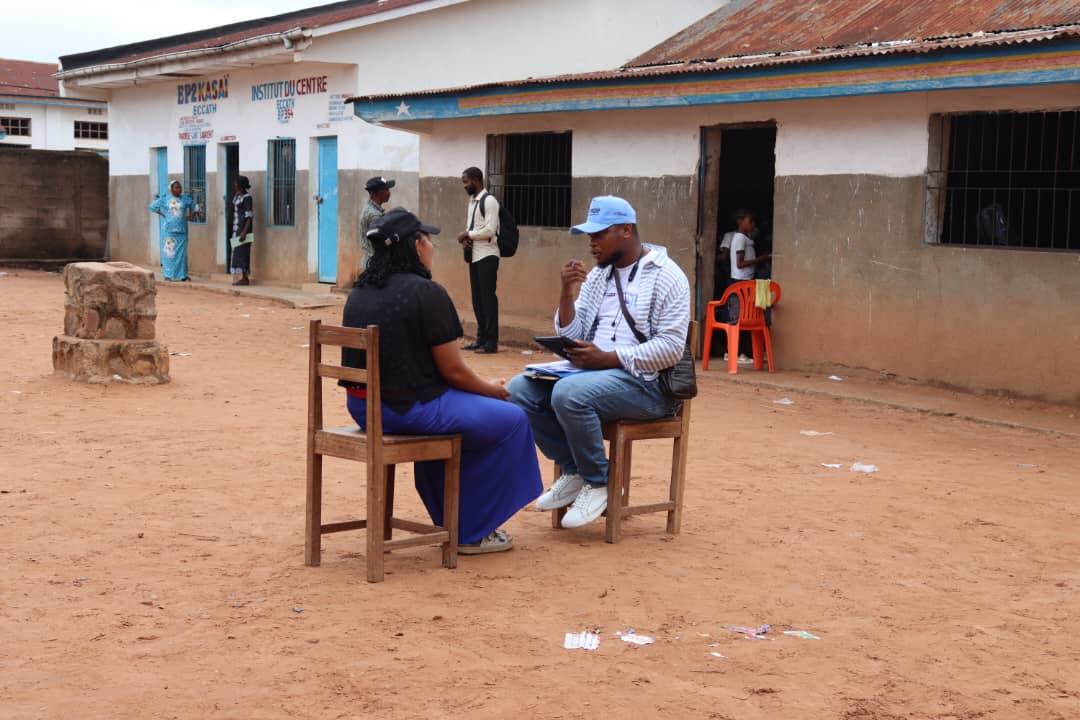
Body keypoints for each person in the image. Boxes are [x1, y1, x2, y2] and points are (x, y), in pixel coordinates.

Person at [342, 207, 542, 554]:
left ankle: (453, 519)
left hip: (364, 408)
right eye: (427, 239)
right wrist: (490, 390)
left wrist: (477, 390)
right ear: (415, 245)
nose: (432, 247)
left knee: (463, 422)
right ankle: (471, 530)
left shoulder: (359, 291)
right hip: (408, 409)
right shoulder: (426, 292)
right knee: (513, 421)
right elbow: (453, 372)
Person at [507, 196, 690, 529]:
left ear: (626, 230)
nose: (592, 243)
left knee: (569, 394)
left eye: (599, 234)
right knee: (518, 390)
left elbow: (671, 348)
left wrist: (609, 358)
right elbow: (573, 332)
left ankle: (598, 481)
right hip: (594, 377)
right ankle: (574, 470)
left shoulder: (667, 276)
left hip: (647, 387)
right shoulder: (598, 276)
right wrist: (566, 293)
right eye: (589, 235)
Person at [457, 167, 500, 354]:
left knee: (488, 299)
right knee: (477, 300)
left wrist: (468, 234)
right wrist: (467, 239)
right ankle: (481, 339)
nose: (464, 185)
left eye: (466, 182)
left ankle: (491, 342)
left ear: (476, 180)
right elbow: (472, 227)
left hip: (487, 255)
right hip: (474, 255)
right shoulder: (472, 201)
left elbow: (490, 230)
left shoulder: (489, 201)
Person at [148, 180, 196, 281]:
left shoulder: (185, 199)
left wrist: (191, 216)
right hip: (168, 231)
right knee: (169, 253)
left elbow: (194, 206)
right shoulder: (165, 199)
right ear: (171, 189)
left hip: (182, 231)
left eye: (180, 187)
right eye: (176, 187)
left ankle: (182, 275)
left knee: (182, 254)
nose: (179, 189)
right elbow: (152, 207)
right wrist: (163, 214)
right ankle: (168, 275)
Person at [359, 176, 395, 271]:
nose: (389, 193)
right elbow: (380, 244)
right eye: (387, 190)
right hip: (375, 266)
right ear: (379, 193)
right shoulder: (374, 215)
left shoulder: (371, 208)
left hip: (371, 261)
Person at [230, 176, 254, 286]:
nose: (234, 186)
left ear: (240, 185)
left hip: (244, 229)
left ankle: (245, 278)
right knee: (237, 252)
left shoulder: (247, 198)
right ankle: (242, 277)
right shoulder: (238, 196)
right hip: (237, 227)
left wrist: (244, 232)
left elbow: (249, 216)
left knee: (243, 253)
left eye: (236, 184)